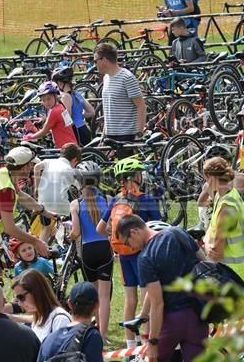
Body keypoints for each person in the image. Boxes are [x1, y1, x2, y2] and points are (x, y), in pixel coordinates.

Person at [116, 215, 209, 362]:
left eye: (128, 242)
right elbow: (205, 263)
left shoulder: (145, 257)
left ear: (135, 231)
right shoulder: (178, 233)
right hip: (198, 315)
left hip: (172, 319)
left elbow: (157, 302)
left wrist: (152, 341)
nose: (131, 248)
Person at [97, 157, 162, 349]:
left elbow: (101, 228)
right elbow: (158, 225)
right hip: (142, 255)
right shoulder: (146, 199)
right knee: (146, 299)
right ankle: (146, 340)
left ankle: (130, 345)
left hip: (123, 256)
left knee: (129, 300)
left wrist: (116, 240)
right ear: (133, 177)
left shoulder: (116, 200)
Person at [69, 161, 114, 338]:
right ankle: (102, 335)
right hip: (104, 248)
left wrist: (69, 235)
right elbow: (110, 228)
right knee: (104, 296)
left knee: (94, 295)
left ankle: (94, 331)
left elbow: (76, 232)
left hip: (87, 251)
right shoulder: (108, 200)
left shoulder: (75, 204)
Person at [202, 157, 244, 283]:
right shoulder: (225, 194)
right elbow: (213, 226)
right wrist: (209, 238)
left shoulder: (226, 207)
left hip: (238, 274)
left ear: (210, 177)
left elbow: (216, 253)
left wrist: (205, 243)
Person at [94, 42, 146, 157]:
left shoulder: (127, 78)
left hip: (127, 137)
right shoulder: (106, 78)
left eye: (95, 61)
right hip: (110, 136)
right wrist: (103, 136)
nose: (95, 64)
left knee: (130, 174)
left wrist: (139, 135)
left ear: (104, 60)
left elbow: (141, 106)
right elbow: (109, 110)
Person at [196, 145, 244, 228]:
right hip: (241, 222)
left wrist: (211, 202)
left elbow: (200, 203)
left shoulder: (208, 184)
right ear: (229, 163)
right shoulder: (242, 177)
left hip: (221, 224)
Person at [34, 142, 81, 243]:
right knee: (74, 220)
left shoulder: (49, 161)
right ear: (74, 160)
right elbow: (80, 188)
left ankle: (42, 252)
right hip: (61, 205)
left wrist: (36, 188)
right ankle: (72, 248)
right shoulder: (71, 170)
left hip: (43, 202)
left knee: (45, 228)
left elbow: (36, 167)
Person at [11, 269, 71, 342]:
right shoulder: (39, 317)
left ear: (36, 292)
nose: (19, 303)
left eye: (21, 297)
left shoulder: (60, 320)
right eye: (17, 299)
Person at [23, 81, 78, 149]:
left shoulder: (54, 111)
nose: (46, 102)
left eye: (49, 99)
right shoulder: (61, 106)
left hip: (65, 148)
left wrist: (29, 137)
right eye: (43, 100)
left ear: (55, 96)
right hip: (71, 145)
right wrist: (43, 120)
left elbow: (44, 131)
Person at [53, 66, 95, 146]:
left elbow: (67, 119)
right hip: (84, 129)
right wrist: (79, 116)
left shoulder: (65, 97)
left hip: (76, 132)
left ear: (60, 82)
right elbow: (91, 112)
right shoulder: (77, 94)